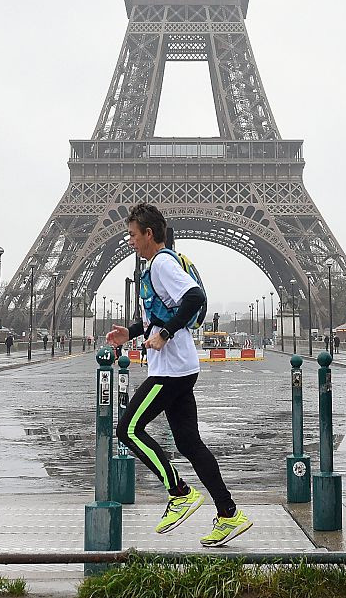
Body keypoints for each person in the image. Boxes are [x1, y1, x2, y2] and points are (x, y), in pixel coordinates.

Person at [106, 202, 251, 547]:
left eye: (132, 235)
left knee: (128, 429)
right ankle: (229, 513)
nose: (129, 241)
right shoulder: (159, 265)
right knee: (189, 443)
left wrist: (166, 333)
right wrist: (133, 331)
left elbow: (194, 297)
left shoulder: (161, 264)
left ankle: (179, 493)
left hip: (170, 371)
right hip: (180, 368)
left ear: (148, 234)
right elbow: (163, 311)